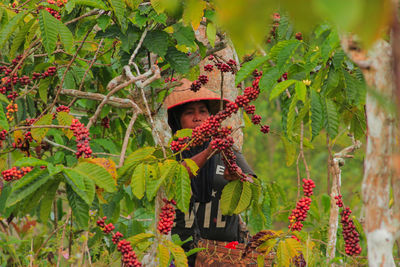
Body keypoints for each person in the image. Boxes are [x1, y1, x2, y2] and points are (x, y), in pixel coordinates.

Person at [164, 78, 256, 266]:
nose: (197, 118)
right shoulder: (169, 153)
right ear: (177, 120)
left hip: (225, 252)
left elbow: (250, 183)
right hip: (180, 253)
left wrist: (237, 177)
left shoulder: (227, 149)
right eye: (189, 113)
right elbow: (176, 176)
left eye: (203, 111)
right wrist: (207, 152)